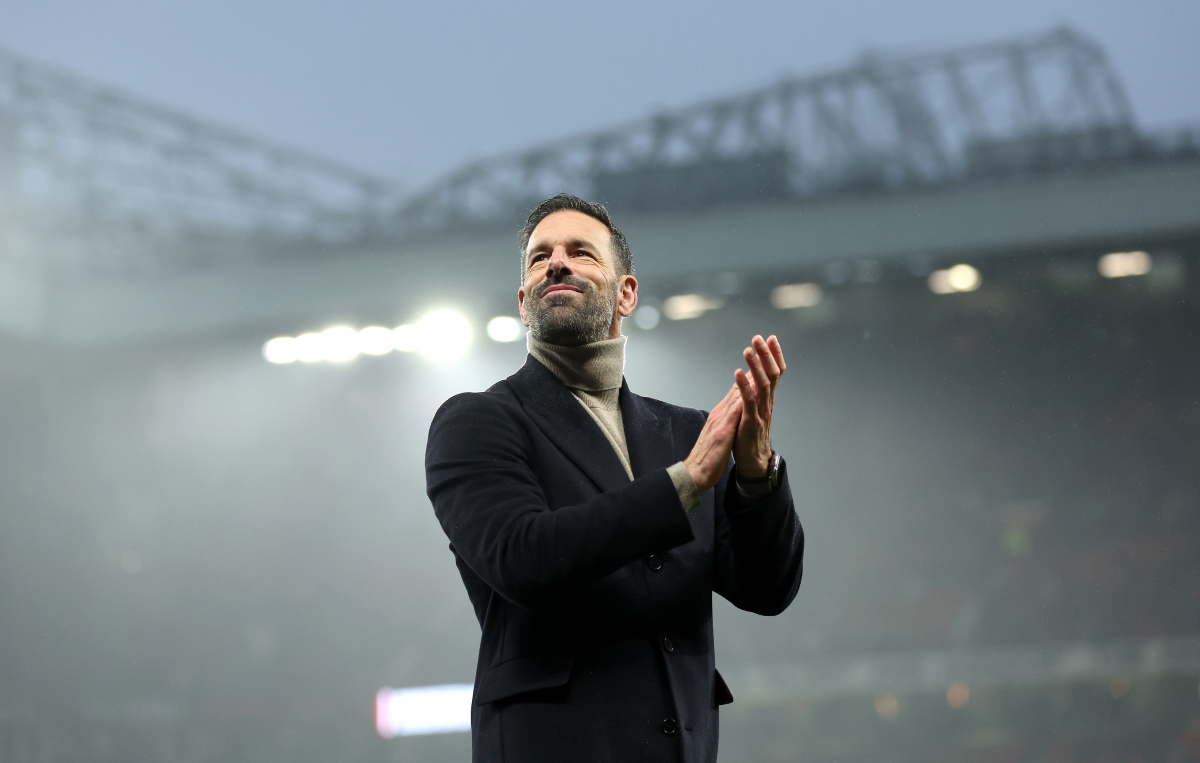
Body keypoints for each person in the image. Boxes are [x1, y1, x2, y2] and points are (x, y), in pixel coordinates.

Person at [425, 194, 804, 763]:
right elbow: (523, 557)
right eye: (539, 257)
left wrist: (755, 475)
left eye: (581, 252)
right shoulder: (476, 421)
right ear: (524, 300)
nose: (557, 262)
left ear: (626, 292)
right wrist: (686, 484)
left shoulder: (685, 433)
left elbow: (767, 590)